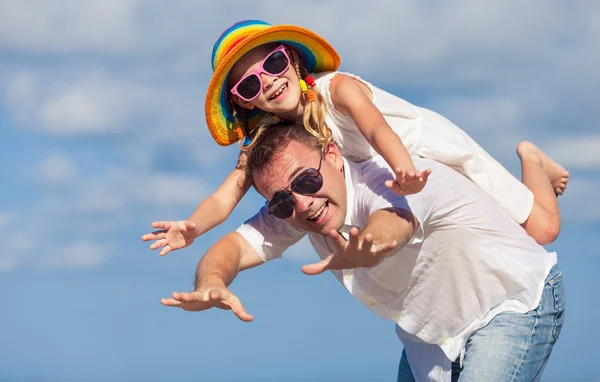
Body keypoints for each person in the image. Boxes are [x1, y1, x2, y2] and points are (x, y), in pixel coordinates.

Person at [161, 122, 565, 382]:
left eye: (306, 180)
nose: (303, 203)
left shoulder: (387, 177)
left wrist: (368, 244)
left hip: (511, 301)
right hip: (431, 336)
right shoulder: (298, 211)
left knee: (541, 225)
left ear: (334, 156)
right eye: (281, 200)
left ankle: (531, 159)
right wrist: (211, 281)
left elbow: (395, 220)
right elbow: (229, 247)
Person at [142, 20, 569, 256]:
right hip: (401, 181)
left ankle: (531, 157)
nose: (268, 82)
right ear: (245, 103)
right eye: (250, 86)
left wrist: (404, 169)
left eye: (272, 64)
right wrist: (193, 227)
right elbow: (225, 196)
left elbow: (376, 127)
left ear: (291, 58)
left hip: (422, 152)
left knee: (542, 230)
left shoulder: (338, 88)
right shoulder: (274, 138)